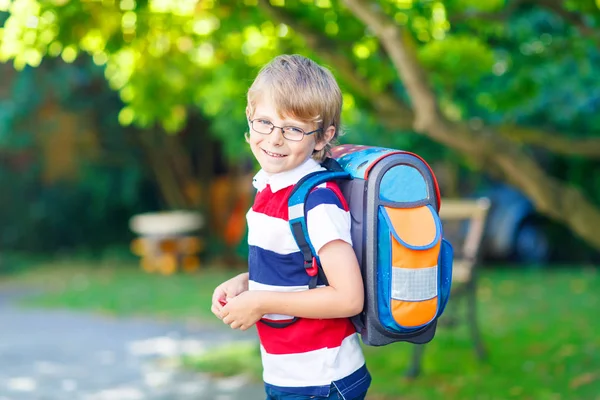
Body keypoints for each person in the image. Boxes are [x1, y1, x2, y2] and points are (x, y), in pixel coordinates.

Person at [211, 54, 371, 400]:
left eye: (294, 129)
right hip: (290, 374)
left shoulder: (317, 201)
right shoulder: (270, 186)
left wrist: (260, 301)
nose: (274, 139)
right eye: (264, 122)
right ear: (249, 119)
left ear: (321, 137)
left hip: (322, 379)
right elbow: (297, 272)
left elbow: (348, 297)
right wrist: (245, 284)